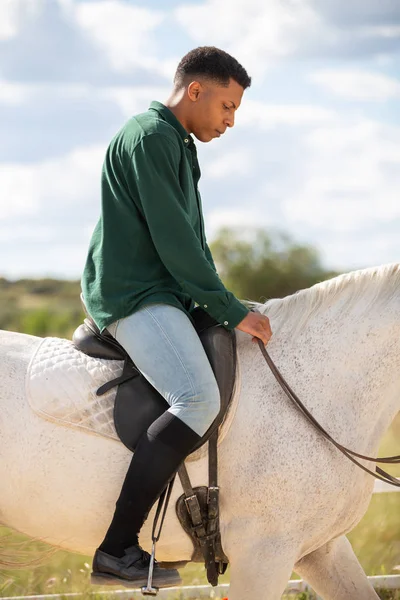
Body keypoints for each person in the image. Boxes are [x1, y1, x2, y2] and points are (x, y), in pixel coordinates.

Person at [81, 46, 272, 588]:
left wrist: (230, 303)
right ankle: (117, 550)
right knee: (198, 398)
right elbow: (174, 245)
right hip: (135, 295)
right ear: (196, 91)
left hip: (160, 290)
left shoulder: (176, 143)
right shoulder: (151, 138)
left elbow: (195, 244)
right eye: (227, 106)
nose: (230, 121)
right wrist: (230, 310)